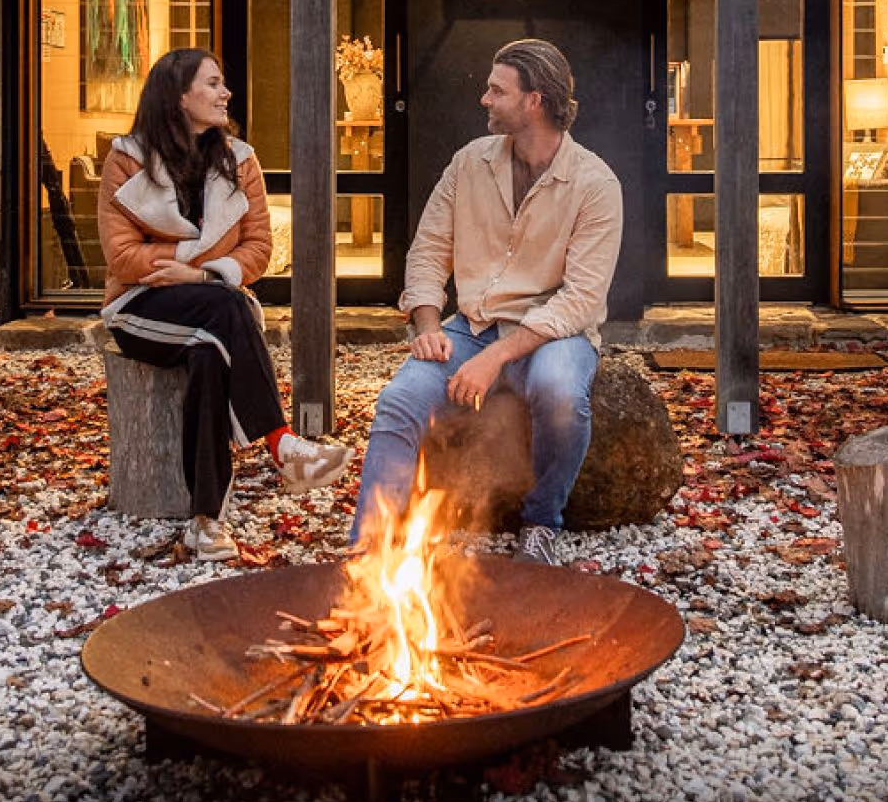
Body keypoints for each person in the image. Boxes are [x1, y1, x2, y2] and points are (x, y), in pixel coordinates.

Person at [351, 39, 623, 564]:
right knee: (399, 401)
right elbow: (429, 250)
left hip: (552, 336)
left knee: (559, 394)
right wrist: (428, 325)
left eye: (497, 90)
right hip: (469, 327)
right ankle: (369, 549)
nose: (484, 99)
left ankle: (541, 524)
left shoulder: (595, 184)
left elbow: (581, 299)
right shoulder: (469, 162)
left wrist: (494, 358)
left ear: (534, 101)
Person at [98, 48, 353, 562]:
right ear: (179, 95)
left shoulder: (239, 160)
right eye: (213, 83)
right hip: (142, 307)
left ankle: (205, 522)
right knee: (228, 307)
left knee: (210, 352)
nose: (225, 93)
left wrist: (195, 274)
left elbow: (258, 248)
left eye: (222, 83)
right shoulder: (127, 159)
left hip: (209, 308)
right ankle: (280, 441)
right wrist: (197, 268)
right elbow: (121, 256)